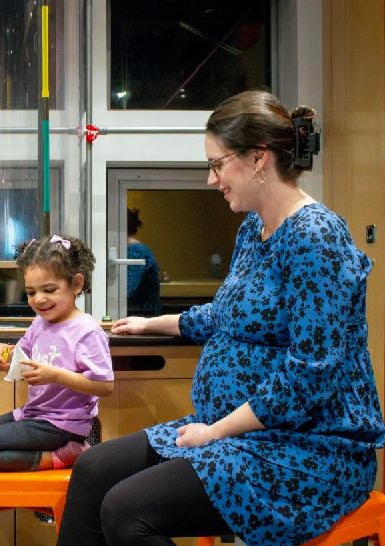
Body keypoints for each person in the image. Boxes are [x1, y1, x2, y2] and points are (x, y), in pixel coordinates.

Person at [57, 90, 385, 546]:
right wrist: (153, 323)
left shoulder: (316, 237)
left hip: (306, 450)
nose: (212, 180)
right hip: (241, 436)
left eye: (217, 164)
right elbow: (232, 314)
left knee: (127, 510)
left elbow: (311, 372)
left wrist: (216, 430)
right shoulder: (254, 228)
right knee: (93, 470)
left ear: (257, 158)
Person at [0, 235, 114, 471]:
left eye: (49, 290)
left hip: (63, 424)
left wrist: (55, 375)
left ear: (76, 284)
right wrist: (3, 351)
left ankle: (62, 457)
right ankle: (58, 454)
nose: (39, 299)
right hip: (34, 414)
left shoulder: (87, 331)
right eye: (31, 292)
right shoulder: (39, 323)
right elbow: (21, 356)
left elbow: (104, 386)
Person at [126, 207, 162, 315]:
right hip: (137, 312)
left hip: (144, 314)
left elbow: (128, 290)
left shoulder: (136, 251)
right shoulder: (132, 249)